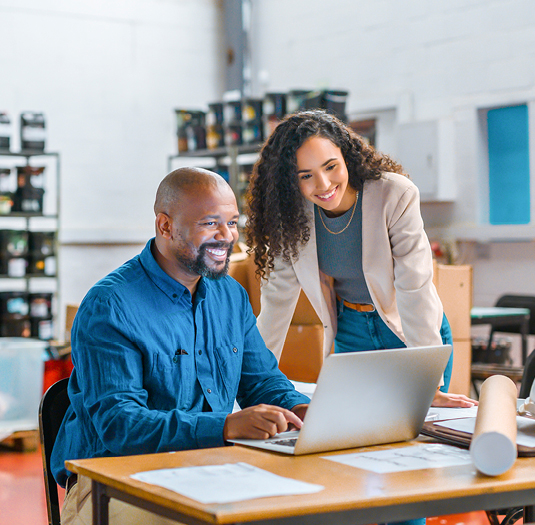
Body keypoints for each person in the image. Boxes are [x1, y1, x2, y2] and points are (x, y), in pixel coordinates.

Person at [51, 167, 309, 525]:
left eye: (232, 223)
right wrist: (225, 427)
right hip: (114, 482)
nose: (226, 236)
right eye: (209, 223)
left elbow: (262, 381)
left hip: (211, 471)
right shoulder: (110, 306)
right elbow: (120, 424)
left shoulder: (230, 296)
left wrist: (303, 410)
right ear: (165, 226)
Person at [245, 109, 476, 409]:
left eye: (331, 167)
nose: (324, 184)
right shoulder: (292, 216)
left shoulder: (393, 194)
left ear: (346, 155)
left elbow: (414, 287)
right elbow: (277, 301)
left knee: (416, 435)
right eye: (306, 176)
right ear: (290, 182)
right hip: (351, 334)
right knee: (352, 433)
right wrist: (254, 385)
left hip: (409, 331)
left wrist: (427, 382)